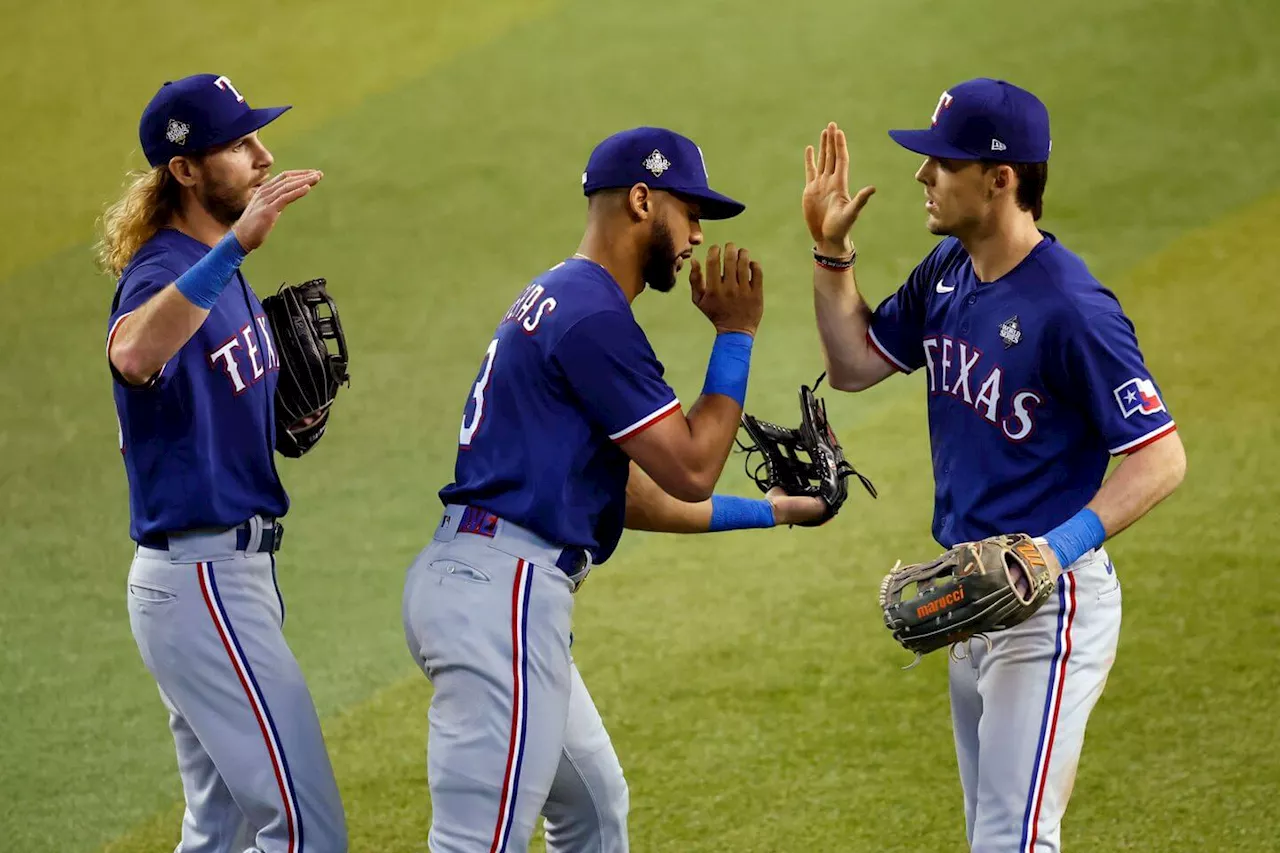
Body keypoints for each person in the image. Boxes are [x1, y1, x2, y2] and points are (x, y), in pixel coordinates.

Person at [402, 126, 826, 853]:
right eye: (690, 211)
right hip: (502, 596)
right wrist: (735, 333)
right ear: (640, 199)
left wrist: (773, 510)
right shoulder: (594, 316)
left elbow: (629, 492)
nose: (697, 234)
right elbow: (691, 466)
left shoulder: (558, 296)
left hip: (484, 580)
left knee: (594, 807)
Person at [801, 79, 1187, 851]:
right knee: (995, 836)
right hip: (969, 594)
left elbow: (1160, 456)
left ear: (999, 178)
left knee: (1012, 839)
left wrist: (1053, 551)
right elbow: (851, 365)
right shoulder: (946, 272)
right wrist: (831, 254)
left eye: (942, 162)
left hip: (1047, 603)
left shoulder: (1072, 308)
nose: (921, 176)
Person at [100, 73, 345, 853]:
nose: (264, 155)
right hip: (201, 578)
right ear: (184, 170)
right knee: (304, 829)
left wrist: (285, 418)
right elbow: (134, 353)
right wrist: (236, 245)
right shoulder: (167, 267)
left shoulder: (220, 272)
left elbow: (189, 410)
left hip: (223, 578)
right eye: (240, 144)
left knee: (222, 832)